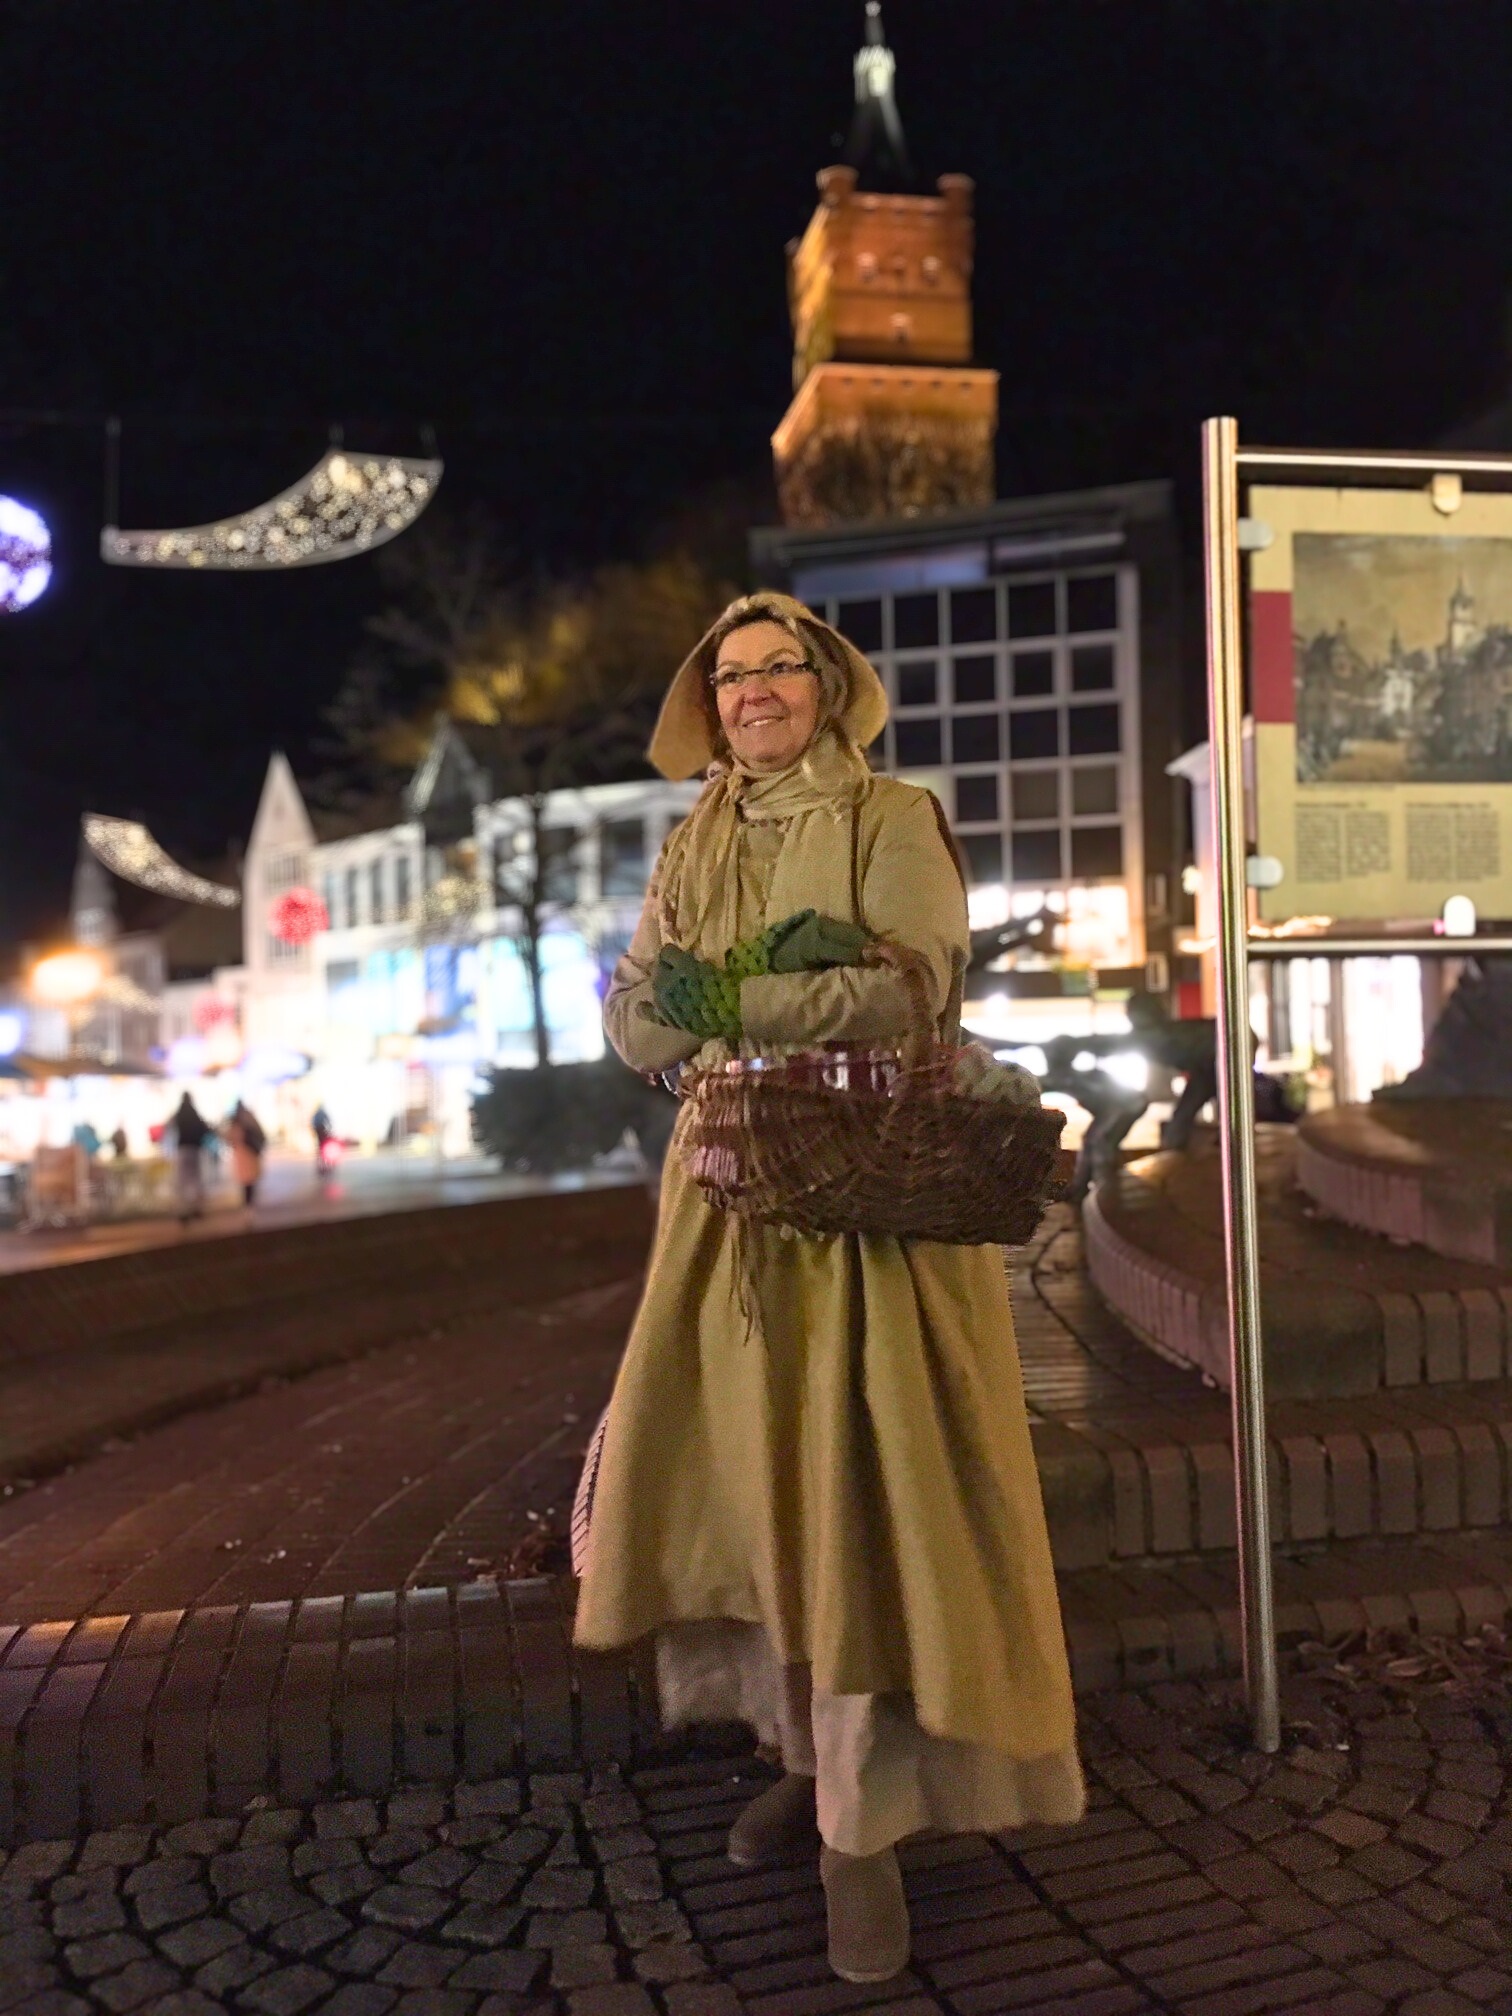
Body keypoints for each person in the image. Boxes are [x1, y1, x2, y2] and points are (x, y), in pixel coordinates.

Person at [573, 592, 1083, 1985]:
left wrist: (723, 1001)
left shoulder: (889, 815)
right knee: (755, 1493)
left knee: (868, 1502)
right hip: (725, 1216)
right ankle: (803, 1762)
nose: (752, 693)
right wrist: (709, 999)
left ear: (829, 684)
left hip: (868, 1217)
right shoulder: (692, 837)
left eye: (777, 668)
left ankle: (868, 1824)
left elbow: (907, 989)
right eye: (730, 675)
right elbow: (628, 1025)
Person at [169, 1092, 212, 1223]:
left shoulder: (179, 1114)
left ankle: (184, 1210)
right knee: (196, 1180)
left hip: (183, 1149)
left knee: (182, 1182)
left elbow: (170, 1127)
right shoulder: (194, 1113)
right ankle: (197, 1209)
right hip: (194, 1149)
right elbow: (205, 1128)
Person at [225, 1100, 266, 1207]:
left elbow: (229, 1138)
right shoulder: (249, 1118)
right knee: (250, 1181)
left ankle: (248, 1205)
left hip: (242, 1154)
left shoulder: (235, 1122)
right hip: (251, 1153)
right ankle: (250, 1204)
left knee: (246, 1182)